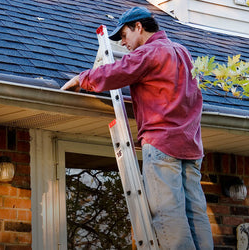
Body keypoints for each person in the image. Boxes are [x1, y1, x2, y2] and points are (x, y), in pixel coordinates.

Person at [61, 6, 214, 250]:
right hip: (191, 147)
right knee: (195, 213)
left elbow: (118, 71)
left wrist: (83, 79)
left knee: (168, 216)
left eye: (124, 36)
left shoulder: (150, 52)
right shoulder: (183, 53)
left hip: (163, 146)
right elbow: (192, 96)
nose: (123, 44)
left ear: (139, 28)